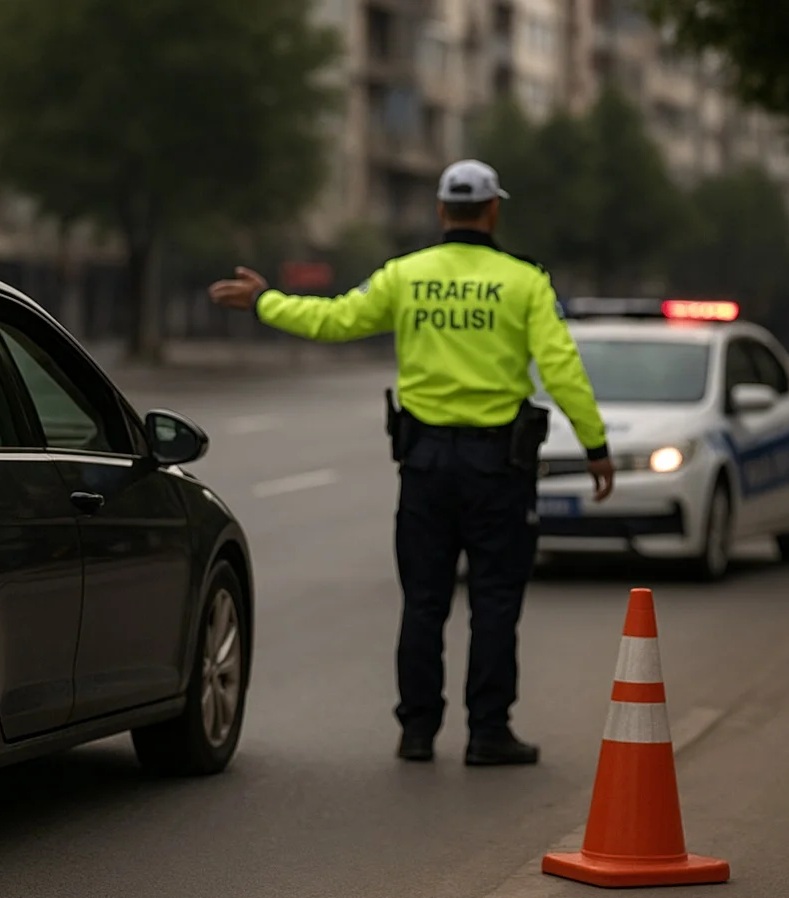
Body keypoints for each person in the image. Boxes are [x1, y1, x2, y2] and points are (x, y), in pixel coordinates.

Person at [208, 159, 615, 766]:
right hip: (497, 469)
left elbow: (334, 319)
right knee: (495, 601)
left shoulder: (406, 275)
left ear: (440, 210)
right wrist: (596, 446)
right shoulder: (525, 282)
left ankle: (418, 731)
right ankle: (487, 732)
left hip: (424, 466)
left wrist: (267, 301)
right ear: (494, 209)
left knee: (424, 601)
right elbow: (561, 370)